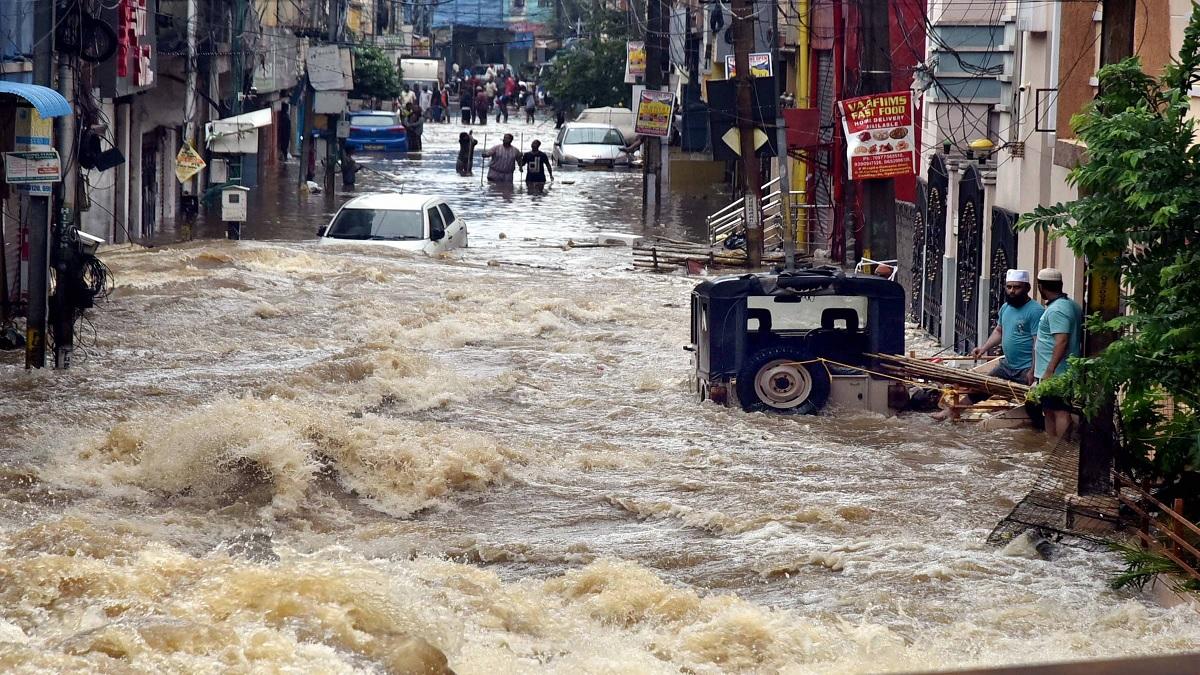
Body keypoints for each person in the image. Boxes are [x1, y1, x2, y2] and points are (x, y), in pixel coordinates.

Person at [1033, 267, 1084, 438]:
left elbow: (1062, 341)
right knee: (1049, 410)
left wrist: (1049, 370)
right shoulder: (1070, 305)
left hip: (1057, 373)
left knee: (1060, 411)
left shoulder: (1057, 310)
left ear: (1040, 287)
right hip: (1055, 371)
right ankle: (1051, 445)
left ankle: (1061, 448)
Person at [969, 269, 1044, 384]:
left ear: (1027, 288)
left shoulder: (1035, 311)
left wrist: (1033, 370)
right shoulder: (1005, 307)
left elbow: (1037, 343)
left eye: (1016, 287)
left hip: (1025, 369)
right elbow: (999, 331)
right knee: (979, 389)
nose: (1012, 291)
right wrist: (983, 349)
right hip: (1006, 366)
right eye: (1009, 287)